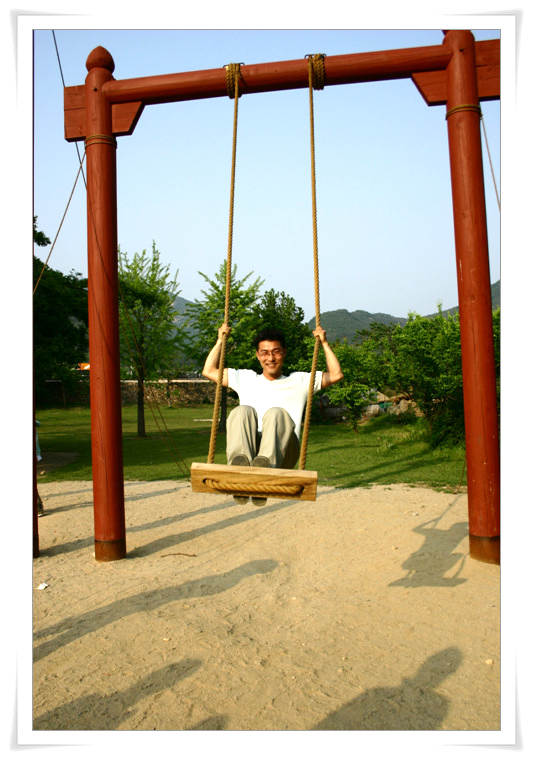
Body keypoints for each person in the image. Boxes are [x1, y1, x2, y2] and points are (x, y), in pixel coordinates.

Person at [202, 323, 343, 505]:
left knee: (276, 413)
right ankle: (240, 469)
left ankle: (265, 470)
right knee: (241, 411)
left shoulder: (300, 381)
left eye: (276, 352)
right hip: (252, 449)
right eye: (265, 353)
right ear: (258, 355)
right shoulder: (245, 378)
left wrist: (324, 343)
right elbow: (209, 371)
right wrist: (220, 341)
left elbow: (336, 374)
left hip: (283, 451)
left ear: (284, 353)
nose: (270, 358)